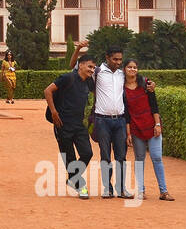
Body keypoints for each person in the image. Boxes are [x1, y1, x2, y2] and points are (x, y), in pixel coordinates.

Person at [45, 53, 96, 199]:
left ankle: (73, 178)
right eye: (89, 66)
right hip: (62, 124)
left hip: (79, 124)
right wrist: (54, 112)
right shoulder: (68, 78)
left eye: (93, 67)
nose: (92, 70)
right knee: (70, 157)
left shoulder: (88, 82)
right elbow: (48, 91)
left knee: (87, 153)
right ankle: (80, 186)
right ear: (80, 65)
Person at [123, 59, 172, 201]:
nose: (132, 70)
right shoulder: (121, 88)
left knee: (157, 158)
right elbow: (125, 113)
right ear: (124, 69)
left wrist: (158, 125)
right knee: (139, 159)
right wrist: (128, 133)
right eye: (129, 67)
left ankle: (164, 191)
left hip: (151, 126)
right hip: (135, 128)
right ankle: (141, 191)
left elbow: (153, 104)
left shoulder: (146, 83)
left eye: (135, 67)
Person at [88, 44, 131, 199]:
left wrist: (149, 84)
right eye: (115, 59)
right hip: (102, 120)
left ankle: (122, 188)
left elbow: (136, 81)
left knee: (121, 156)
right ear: (107, 57)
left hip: (120, 120)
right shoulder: (97, 72)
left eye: (120, 59)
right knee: (105, 155)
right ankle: (108, 188)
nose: (118, 62)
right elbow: (77, 71)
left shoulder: (122, 74)